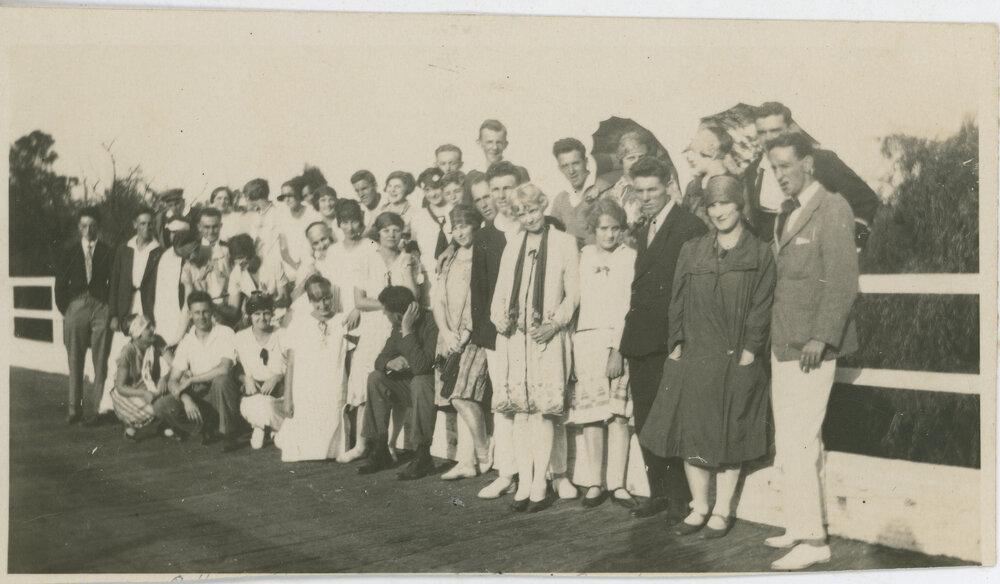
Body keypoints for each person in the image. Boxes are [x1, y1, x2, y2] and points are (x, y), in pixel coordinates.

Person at [640, 175, 775, 539]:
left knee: (731, 435)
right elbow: (677, 302)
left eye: (725, 203)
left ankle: (722, 509)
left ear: (739, 205)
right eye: (712, 205)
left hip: (735, 356)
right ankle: (699, 506)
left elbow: (762, 307)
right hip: (696, 356)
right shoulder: (693, 250)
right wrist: (677, 345)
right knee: (692, 434)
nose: (718, 211)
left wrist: (749, 352)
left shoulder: (760, 253)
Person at [763, 132, 859, 571]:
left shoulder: (832, 208)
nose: (780, 175)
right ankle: (800, 525)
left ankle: (815, 541)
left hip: (811, 349)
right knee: (795, 441)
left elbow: (841, 281)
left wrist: (822, 337)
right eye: (774, 167)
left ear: (808, 164)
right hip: (784, 344)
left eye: (786, 165)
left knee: (800, 439)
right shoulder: (789, 211)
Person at [618, 155, 708, 519]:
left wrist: (682, 340)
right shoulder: (645, 229)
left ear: (669, 185)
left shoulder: (689, 226)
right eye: (639, 191)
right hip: (640, 338)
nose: (645, 198)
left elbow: (695, 288)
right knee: (644, 417)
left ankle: (678, 497)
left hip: (670, 340)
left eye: (652, 190)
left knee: (670, 416)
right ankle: (657, 492)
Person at [491, 183, 580, 512]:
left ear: (542, 206)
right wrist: (500, 318)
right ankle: (525, 480)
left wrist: (554, 324)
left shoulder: (563, 243)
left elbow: (573, 294)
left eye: (532, 210)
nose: (529, 218)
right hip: (515, 341)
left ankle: (541, 481)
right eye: (521, 213)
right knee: (520, 414)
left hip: (546, 339)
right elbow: (500, 293)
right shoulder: (513, 246)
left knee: (543, 414)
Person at [566, 198, 637, 508]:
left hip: (617, 341)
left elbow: (628, 307)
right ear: (593, 229)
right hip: (586, 342)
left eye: (615, 228)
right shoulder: (581, 257)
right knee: (592, 416)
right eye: (603, 228)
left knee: (617, 415)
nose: (609, 234)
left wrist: (618, 350)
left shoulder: (630, 257)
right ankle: (595, 482)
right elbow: (574, 301)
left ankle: (617, 483)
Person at [340, 212, 419, 462]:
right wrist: (389, 305)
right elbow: (360, 301)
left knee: (394, 386)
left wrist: (407, 268)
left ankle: (391, 444)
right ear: (378, 233)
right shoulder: (367, 259)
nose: (391, 235)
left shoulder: (407, 259)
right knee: (365, 385)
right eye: (386, 230)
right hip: (373, 329)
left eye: (396, 230)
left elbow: (412, 298)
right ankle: (361, 445)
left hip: (398, 327)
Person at [744, 101, 879, 248]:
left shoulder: (823, 160)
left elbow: (866, 200)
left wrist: (855, 243)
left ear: (790, 129)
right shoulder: (753, 171)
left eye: (775, 130)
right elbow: (756, 223)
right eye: (762, 132)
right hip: (775, 255)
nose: (768, 138)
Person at [432, 204, 492, 480]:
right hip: (450, 337)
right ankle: (467, 462)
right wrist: (446, 333)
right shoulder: (449, 259)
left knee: (462, 396)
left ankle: (483, 448)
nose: (459, 232)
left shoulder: (482, 256)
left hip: (474, 337)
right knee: (456, 396)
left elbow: (480, 300)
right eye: (455, 227)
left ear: (475, 227)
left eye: (464, 226)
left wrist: (465, 334)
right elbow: (438, 300)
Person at [357, 286, 440, 480]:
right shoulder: (398, 326)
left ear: (399, 315)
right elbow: (379, 360)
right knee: (376, 378)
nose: (384, 314)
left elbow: (421, 367)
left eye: (386, 312)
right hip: (412, 389)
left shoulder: (431, 323)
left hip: (432, 388)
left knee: (420, 381)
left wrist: (408, 331)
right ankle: (380, 449)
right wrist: (390, 363)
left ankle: (423, 455)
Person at [273, 275, 353, 462]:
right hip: (306, 389)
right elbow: (291, 363)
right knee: (304, 442)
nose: (323, 304)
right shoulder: (299, 323)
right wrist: (288, 397)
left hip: (333, 386)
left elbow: (349, 359)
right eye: (317, 300)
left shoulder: (342, 321)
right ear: (309, 300)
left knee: (331, 436)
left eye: (326, 298)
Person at [159, 291, 242, 452]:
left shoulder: (225, 332)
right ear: (190, 315)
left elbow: (224, 368)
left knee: (221, 380)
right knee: (162, 405)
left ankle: (228, 433)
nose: (201, 317)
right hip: (202, 395)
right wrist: (185, 398)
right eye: (197, 313)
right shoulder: (187, 341)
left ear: (212, 311)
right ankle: (206, 427)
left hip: (224, 392)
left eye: (205, 312)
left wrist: (191, 380)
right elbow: (173, 380)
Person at [56, 206, 114, 425]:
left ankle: (98, 409)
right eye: (84, 226)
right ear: (79, 227)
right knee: (75, 359)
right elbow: (60, 284)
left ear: (98, 227)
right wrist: (68, 309)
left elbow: (113, 281)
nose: (88, 230)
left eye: (92, 226)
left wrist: (108, 307)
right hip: (77, 306)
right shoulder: (69, 251)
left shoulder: (108, 251)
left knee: (101, 360)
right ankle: (75, 409)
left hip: (101, 307)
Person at [233, 293, 287, 450]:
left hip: (280, 393)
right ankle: (267, 427)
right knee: (261, 404)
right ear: (249, 316)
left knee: (271, 405)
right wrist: (245, 379)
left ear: (272, 314)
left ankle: (264, 426)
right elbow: (234, 368)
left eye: (266, 313)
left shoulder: (282, 334)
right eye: (257, 313)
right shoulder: (240, 337)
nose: (262, 318)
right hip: (254, 394)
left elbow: (293, 363)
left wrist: (278, 377)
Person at [110, 314, 173, 441]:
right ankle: (130, 424)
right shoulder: (127, 352)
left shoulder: (157, 340)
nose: (153, 329)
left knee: (176, 388)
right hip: (133, 392)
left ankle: (164, 425)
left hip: (152, 387)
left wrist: (165, 378)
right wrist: (143, 394)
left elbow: (176, 365)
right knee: (160, 406)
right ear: (138, 334)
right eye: (147, 327)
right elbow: (121, 387)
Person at [108, 207, 162, 332]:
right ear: (135, 224)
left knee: (146, 337)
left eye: (150, 224)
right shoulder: (124, 250)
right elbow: (114, 283)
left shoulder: (159, 252)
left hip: (148, 307)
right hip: (126, 307)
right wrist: (113, 315)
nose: (147, 227)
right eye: (142, 223)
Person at [149, 229, 202, 347]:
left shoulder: (169, 256)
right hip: (169, 317)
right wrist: (178, 337)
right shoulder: (182, 267)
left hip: (174, 318)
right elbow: (187, 305)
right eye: (196, 250)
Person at [599, 129, 657, 230]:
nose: (637, 162)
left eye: (641, 157)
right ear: (621, 161)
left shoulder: (659, 188)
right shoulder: (608, 195)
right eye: (631, 158)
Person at [226, 233, 290, 325]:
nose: (239, 263)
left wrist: (267, 301)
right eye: (236, 259)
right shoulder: (235, 274)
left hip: (280, 316)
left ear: (252, 253)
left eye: (242, 257)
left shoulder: (273, 263)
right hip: (257, 321)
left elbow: (286, 300)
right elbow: (233, 310)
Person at [681, 123, 735, 226]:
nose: (689, 158)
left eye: (695, 152)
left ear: (712, 153)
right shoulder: (692, 186)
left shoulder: (732, 185)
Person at [549, 137, 597, 249]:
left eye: (575, 163)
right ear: (560, 168)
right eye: (565, 166)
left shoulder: (604, 189)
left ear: (586, 162)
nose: (571, 171)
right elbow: (552, 235)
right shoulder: (561, 199)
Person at [463, 119, 530, 199]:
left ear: (505, 144)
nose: (494, 147)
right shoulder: (472, 177)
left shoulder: (520, 172)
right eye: (489, 142)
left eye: (499, 142)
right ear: (479, 143)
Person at [411, 166, 453, 282]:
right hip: (429, 276)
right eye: (427, 190)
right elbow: (414, 248)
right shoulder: (419, 217)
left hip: (455, 271)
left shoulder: (454, 210)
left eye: (436, 188)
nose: (433, 194)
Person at [277, 176, 322, 272]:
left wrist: (312, 265)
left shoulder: (312, 213)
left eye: (290, 195)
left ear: (298, 194)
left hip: (315, 264)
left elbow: (320, 243)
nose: (287, 200)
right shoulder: (282, 217)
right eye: (284, 197)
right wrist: (297, 268)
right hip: (292, 267)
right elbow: (284, 250)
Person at [193, 207, 231, 303]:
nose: (211, 231)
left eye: (215, 227)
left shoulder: (228, 249)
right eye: (207, 227)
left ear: (220, 226)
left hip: (225, 302)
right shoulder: (193, 250)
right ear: (199, 227)